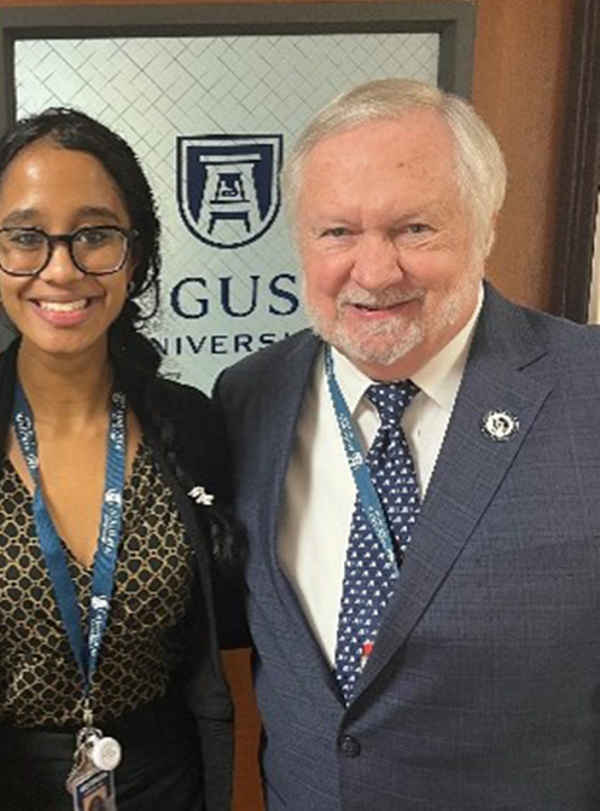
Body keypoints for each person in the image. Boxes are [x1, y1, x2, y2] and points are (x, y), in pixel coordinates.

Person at [214, 77, 600, 809]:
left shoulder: (589, 392)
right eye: (337, 232)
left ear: (484, 226)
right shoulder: (248, 397)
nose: (374, 270)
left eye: (414, 229)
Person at [0, 108, 235, 811]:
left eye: (95, 235)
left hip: (164, 784)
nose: (61, 268)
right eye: (26, 237)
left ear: (136, 253)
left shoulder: (192, 425)